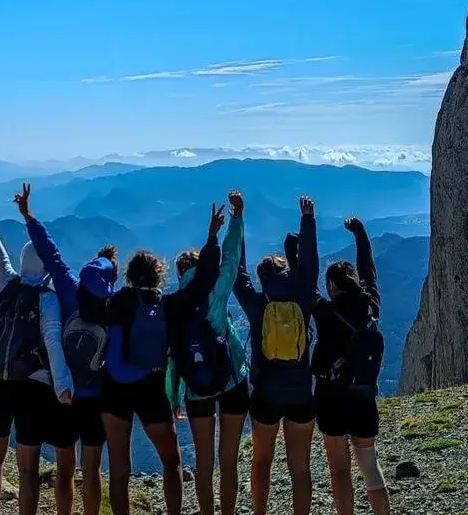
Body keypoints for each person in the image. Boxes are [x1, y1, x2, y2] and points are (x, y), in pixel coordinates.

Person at [79, 203, 227, 515]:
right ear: (159, 275)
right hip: (151, 388)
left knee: (120, 469)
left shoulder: (118, 301)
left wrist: (104, 262)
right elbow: (204, 282)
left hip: (114, 388)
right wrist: (212, 238)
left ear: (129, 276)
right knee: (171, 462)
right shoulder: (168, 306)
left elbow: (89, 307)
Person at [0, 181, 75, 515]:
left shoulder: (7, 282)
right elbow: (53, 342)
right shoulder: (48, 300)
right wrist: (63, 387)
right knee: (28, 468)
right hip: (33, 387)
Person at [16, 183, 118, 515]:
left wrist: (29, 216)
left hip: (63, 394)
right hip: (95, 397)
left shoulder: (69, 288)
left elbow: (49, 252)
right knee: (92, 470)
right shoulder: (113, 309)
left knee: (64, 470)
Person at [233, 196, 320, 515]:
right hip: (301, 393)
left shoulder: (258, 305)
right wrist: (307, 219)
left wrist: (238, 218)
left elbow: (237, 272)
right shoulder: (303, 299)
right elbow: (310, 264)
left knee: (261, 462)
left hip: (266, 395)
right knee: (301, 469)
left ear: (262, 278)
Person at [166, 191, 249, 515]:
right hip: (232, 378)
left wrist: (173, 396)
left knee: (203, 463)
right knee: (228, 461)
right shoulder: (216, 287)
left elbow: (174, 357)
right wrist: (237, 217)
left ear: (178, 275)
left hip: (196, 388)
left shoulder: (173, 306)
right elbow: (231, 257)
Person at [312, 217, 391, 515]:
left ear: (331, 285)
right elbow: (369, 271)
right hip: (364, 396)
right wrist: (360, 234)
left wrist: (301, 237)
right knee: (370, 467)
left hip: (331, 399)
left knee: (340, 470)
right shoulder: (371, 306)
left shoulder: (325, 311)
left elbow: (305, 279)